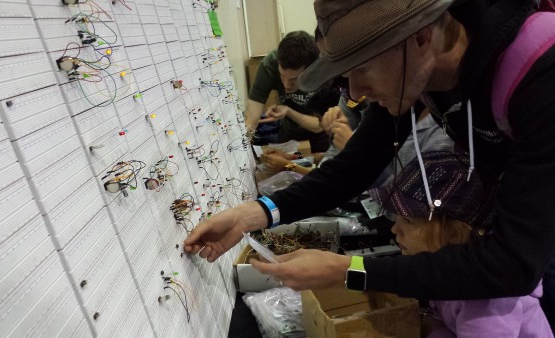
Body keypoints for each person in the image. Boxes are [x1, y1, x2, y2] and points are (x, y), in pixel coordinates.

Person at [185, 0, 555, 329]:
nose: (356, 91)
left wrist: (348, 271)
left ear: (421, 36)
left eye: (362, 67)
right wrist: (254, 213)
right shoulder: (417, 67)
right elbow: (353, 167)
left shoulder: (541, 74)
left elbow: (514, 264)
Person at [369, 151, 552, 338]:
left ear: (455, 234)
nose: (394, 229)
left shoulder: (486, 299)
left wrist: (430, 328)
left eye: (408, 221)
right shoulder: (445, 273)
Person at [246, 31, 338, 153]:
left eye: (294, 80)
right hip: (289, 131)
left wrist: (289, 111)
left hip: (321, 134)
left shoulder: (325, 70)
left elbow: (319, 126)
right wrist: (243, 144)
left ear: (311, 70)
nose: (286, 85)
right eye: (281, 76)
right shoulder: (269, 65)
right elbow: (252, 116)